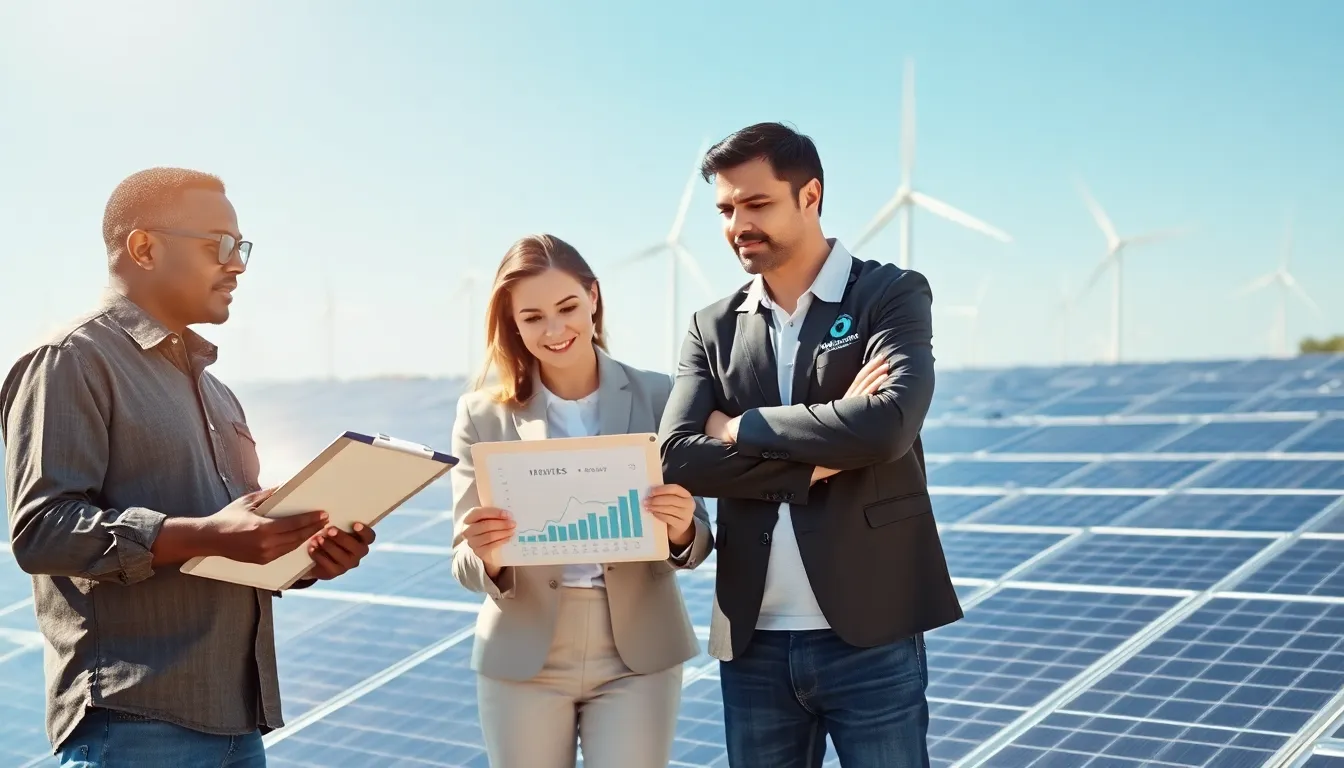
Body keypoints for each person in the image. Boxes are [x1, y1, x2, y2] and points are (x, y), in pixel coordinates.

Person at [1, 167, 377, 768]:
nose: (239, 265)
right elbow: (42, 530)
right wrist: (207, 533)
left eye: (241, 247)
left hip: (238, 724)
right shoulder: (70, 360)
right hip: (133, 726)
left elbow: (236, 544)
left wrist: (304, 556)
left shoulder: (218, 393)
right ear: (145, 247)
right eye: (219, 246)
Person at [657, 122, 964, 767]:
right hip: (754, 645)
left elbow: (886, 427)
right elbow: (678, 455)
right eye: (725, 209)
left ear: (810, 196)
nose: (738, 223)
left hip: (872, 634)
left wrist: (740, 427)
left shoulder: (890, 294)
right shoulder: (710, 327)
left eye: (756, 203)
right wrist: (817, 457)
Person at [449, 233, 713, 768]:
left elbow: (700, 536)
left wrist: (683, 528)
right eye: (533, 317)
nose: (554, 329)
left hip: (638, 654)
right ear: (514, 326)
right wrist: (489, 553)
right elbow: (465, 562)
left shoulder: (661, 396)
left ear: (593, 297)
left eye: (567, 307)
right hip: (523, 656)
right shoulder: (482, 415)